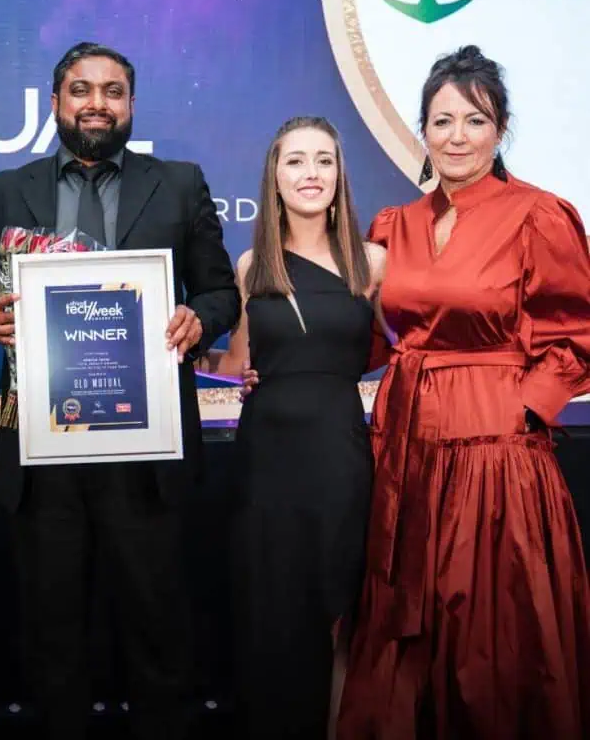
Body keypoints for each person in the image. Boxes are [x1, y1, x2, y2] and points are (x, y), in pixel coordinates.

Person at [0, 42, 240, 740]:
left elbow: (219, 291)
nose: (97, 104)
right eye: (81, 90)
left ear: (131, 105)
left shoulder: (178, 184)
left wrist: (199, 317)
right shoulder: (7, 190)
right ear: (55, 101)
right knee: (53, 643)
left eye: (113, 92)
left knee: (159, 637)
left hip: (147, 454)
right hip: (43, 453)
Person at [333, 46, 590, 738]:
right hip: (405, 449)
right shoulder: (394, 224)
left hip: (495, 455)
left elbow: (577, 334)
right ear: (422, 130)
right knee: (404, 624)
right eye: (441, 121)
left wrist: (524, 410)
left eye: (474, 121)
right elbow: (372, 337)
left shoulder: (539, 215)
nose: (456, 137)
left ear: (499, 129)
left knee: (489, 625)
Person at [197, 116, 384, 737]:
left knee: (336, 607)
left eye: (323, 160)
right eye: (295, 160)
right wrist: (166, 344)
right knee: (272, 611)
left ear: (340, 175)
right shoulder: (253, 265)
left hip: (338, 457)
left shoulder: (373, 263)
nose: (310, 173)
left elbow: (413, 346)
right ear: (273, 176)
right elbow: (235, 363)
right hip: (266, 460)